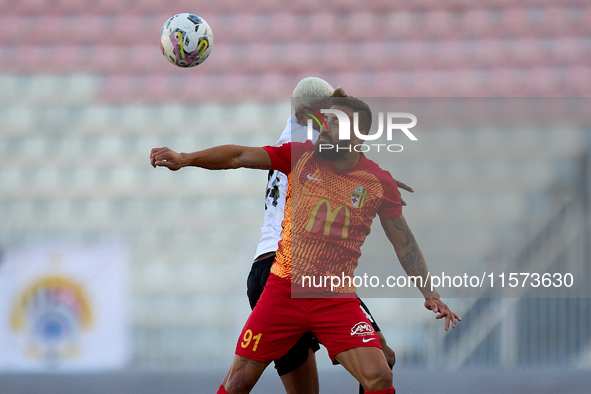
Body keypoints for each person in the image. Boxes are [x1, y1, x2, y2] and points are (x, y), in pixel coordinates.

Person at [150, 90, 460, 394]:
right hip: (282, 291)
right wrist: (185, 158)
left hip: (335, 298)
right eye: (325, 121)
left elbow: (403, 242)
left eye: (336, 124)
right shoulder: (299, 156)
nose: (324, 128)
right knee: (237, 382)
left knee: (379, 375)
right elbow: (238, 156)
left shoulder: (378, 182)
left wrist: (429, 292)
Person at [249, 77, 400, 394]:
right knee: (382, 359)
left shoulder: (292, 137)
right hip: (297, 265)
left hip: (263, 271)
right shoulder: (311, 136)